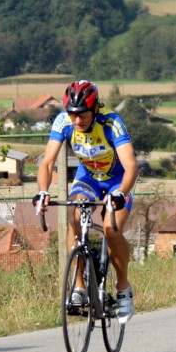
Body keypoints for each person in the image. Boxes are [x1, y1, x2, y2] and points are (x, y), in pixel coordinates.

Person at [34, 80, 139, 324]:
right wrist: (42, 191)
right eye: (73, 114)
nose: (78, 121)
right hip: (89, 178)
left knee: (111, 231)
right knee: (73, 216)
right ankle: (80, 287)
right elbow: (47, 162)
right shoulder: (63, 122)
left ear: (95, 109)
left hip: (118, 179)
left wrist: (121, 193)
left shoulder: (111, 122)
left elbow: (131, 165)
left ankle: (123, 286)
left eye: (83, 115)